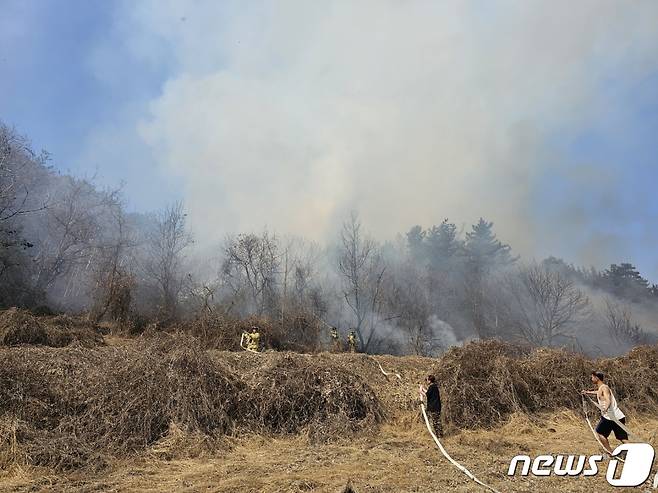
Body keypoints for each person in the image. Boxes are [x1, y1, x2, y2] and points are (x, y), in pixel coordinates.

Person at [582, 370, 627, 453]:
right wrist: (588, 392)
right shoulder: (602, 387)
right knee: (622, 438)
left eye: (592, 377)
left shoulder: (604, 388)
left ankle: (610, 453)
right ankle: (633, 452)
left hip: (610, 417)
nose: (591, 379)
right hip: (617, 416)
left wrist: (605, 409)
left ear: (597, 378)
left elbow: (608, 400)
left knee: (600, 433)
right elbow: (598, 393)